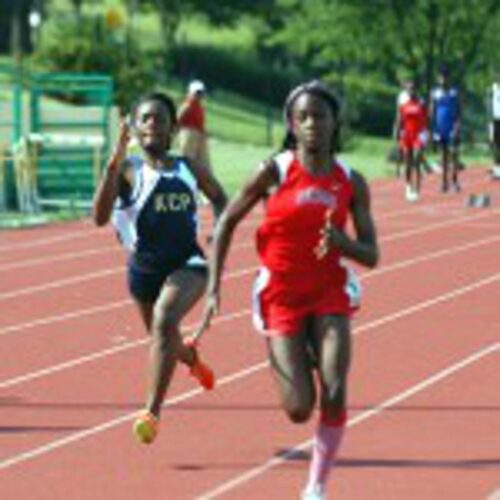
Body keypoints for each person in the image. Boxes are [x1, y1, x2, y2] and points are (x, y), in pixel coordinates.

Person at [194, 81, 379, 500]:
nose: (313, 123)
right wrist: (212, 287)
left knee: (334, 390)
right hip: (281, 295)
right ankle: (293, 350)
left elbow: (372, 255)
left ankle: (315, 486)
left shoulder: (352, 182)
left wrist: (343, 243)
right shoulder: (273, 171)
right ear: (292, 125)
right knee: (299, 409)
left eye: (321, 116)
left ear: (336, 123)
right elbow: (225, 222)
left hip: (330, 293)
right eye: (304, 117)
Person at [92, 91, 227, 444]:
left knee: (166, 320)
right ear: (134, 128)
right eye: (145, 118)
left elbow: (221, 197)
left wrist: (219, 229)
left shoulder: (188, 167)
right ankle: (192, 359)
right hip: (143, 271)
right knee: (163, 337)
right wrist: (113, 161)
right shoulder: (126, 169)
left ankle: (151, 413)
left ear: (172, 128)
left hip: (189, 264)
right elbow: (99, 218)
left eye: (160, 118)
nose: (153, 124)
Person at [429, 66, 463, 192]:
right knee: (442, 155)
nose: (443, 79)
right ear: (438, 78)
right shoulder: (434, 93)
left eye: (445, 77)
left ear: (448, 78)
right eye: (441, 77)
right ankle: (444, 183)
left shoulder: (454, 92)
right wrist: (431, 128)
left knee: (454, 153)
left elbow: (459, 110)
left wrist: (457, 125)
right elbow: (431, 111)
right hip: (440, 127)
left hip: (452, 126)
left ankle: (454, 181)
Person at [393, 80, 428, 201]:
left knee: (417, 159)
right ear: (406, 90)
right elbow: (399, 119)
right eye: (409, 89)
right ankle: (408, 187)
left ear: (416, 89)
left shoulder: (421, 103)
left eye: (413, 88)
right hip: (407, 134)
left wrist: (426, 135)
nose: (411, 91)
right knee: (407, 161)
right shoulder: (404, 103)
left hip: (418, 134)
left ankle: (417, 188)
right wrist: (396, 132)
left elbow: (426, 119)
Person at [177, 79, 211, 173]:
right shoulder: (187, 106)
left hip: (199, 137)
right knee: (187, 162)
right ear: (190, 92)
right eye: (197, 93)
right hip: (188, 135)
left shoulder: (199, 107)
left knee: (203, 164)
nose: (199, 95)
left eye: (201, 93)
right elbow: (177, 121)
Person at [488, 78, 500, 179]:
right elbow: (490, 103)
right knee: (495, 144)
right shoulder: (494, 87)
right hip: (495, 119)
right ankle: (496, 167)